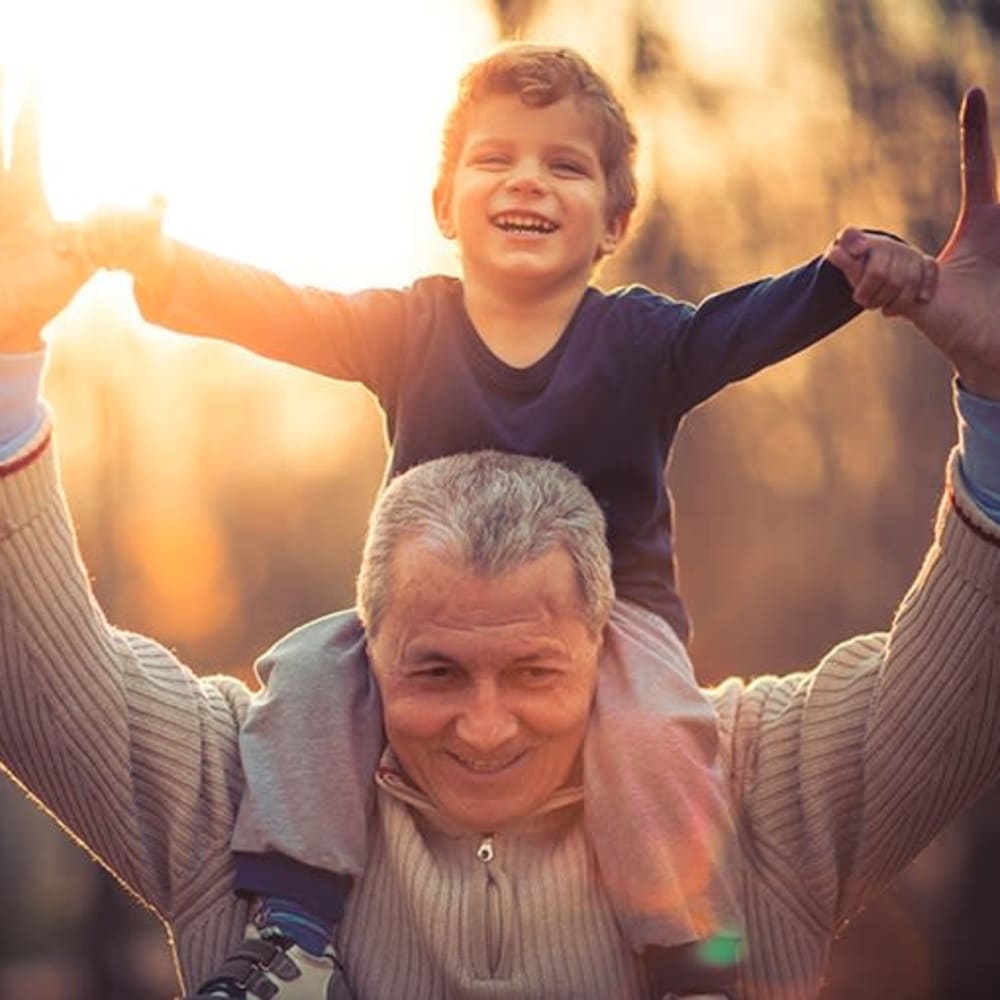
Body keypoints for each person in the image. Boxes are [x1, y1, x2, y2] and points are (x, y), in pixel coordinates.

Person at [3, 67, 1000, 997]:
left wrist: (871, 292)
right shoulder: (230, 781)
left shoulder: (756, 789)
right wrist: (85, 306)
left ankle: (690, 946)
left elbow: (744, 332)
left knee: (648, 726)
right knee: (311, 677)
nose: (485, 728)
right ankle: (292, 927)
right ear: (443, 205)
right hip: (372, 628)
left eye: (564, 162)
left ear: (615, 219)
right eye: (437, 673)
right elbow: (286, 312)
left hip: (633, 630)